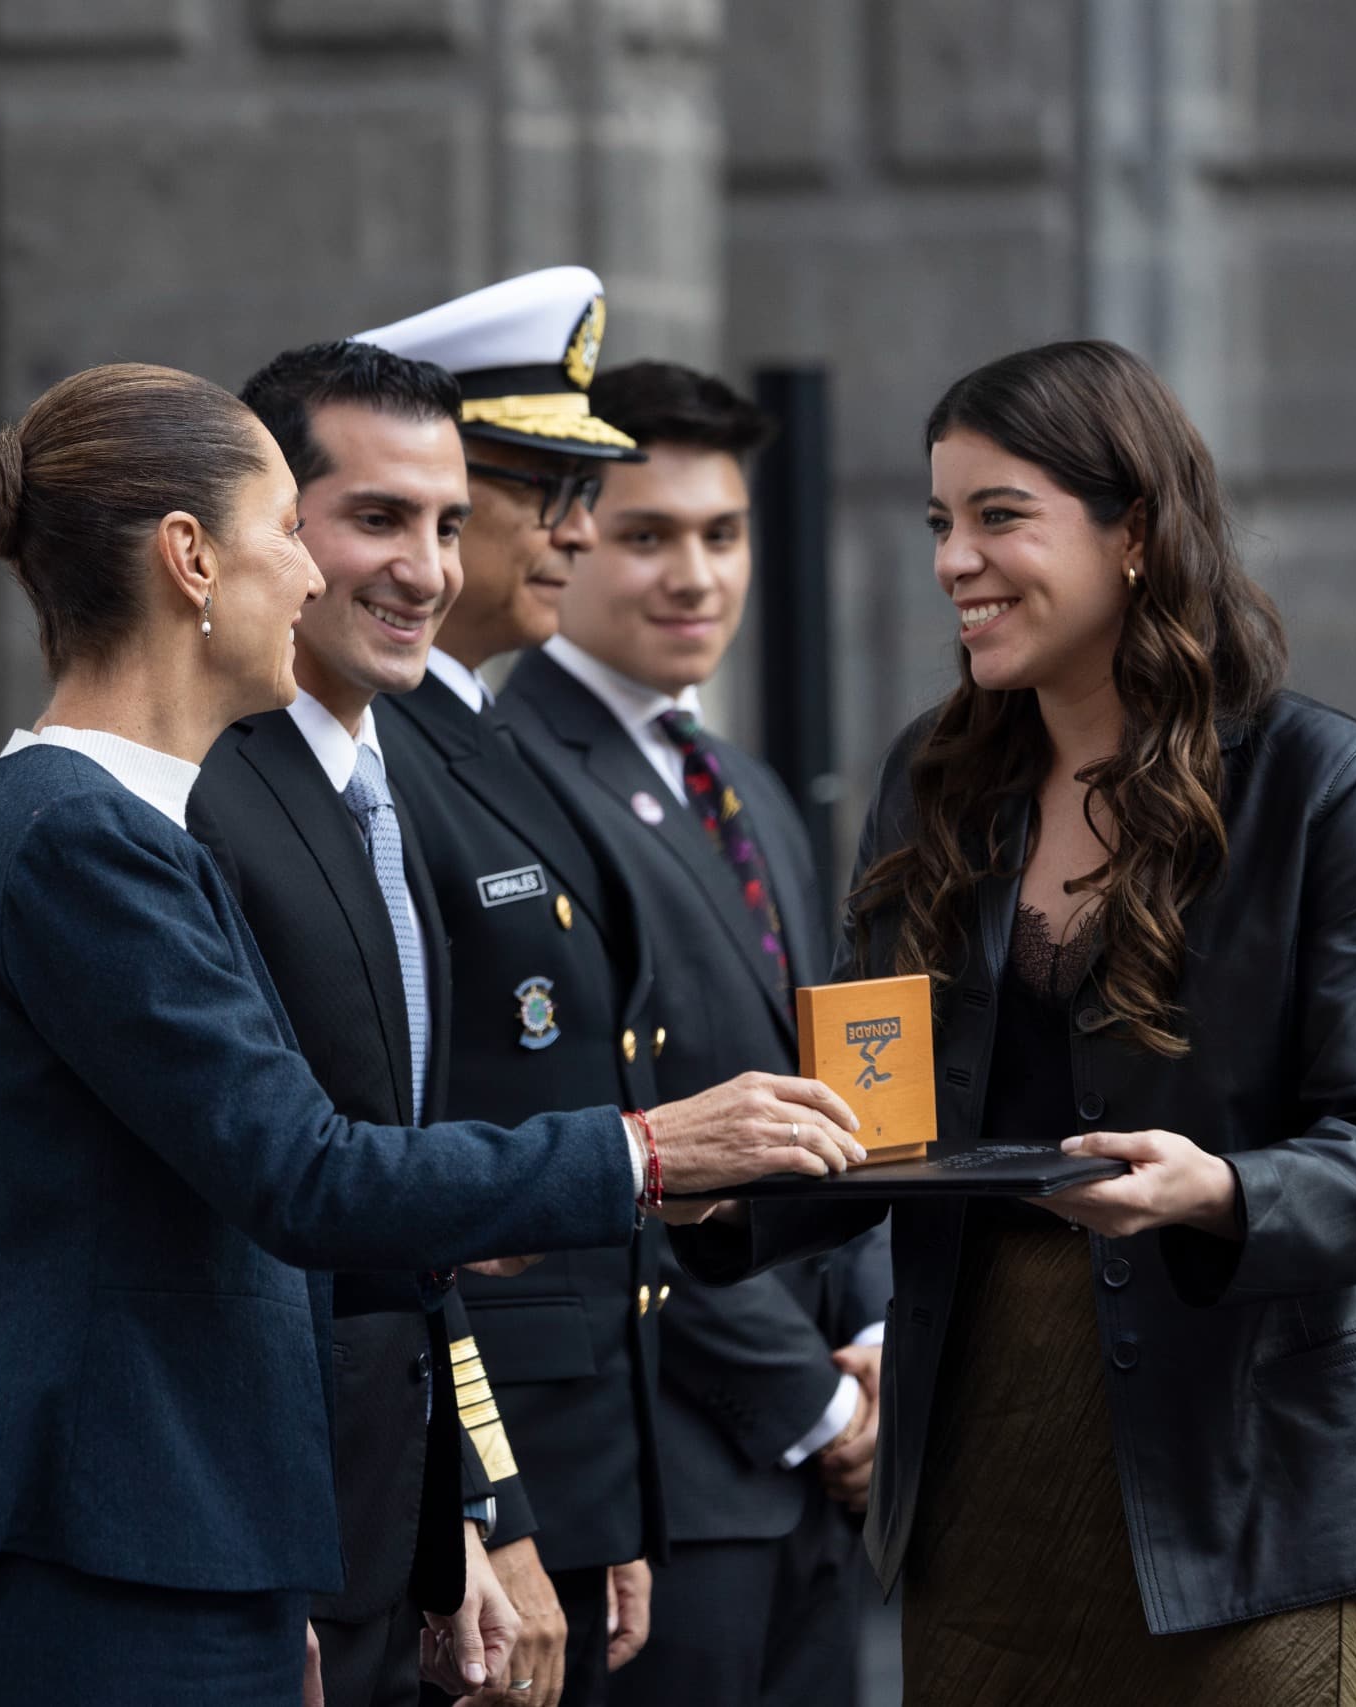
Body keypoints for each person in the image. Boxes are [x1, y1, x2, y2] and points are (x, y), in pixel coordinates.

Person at [0, 361, 867, 1707]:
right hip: (113, 1559)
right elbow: (305, 1173)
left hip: (189, 1544)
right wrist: (647, 1149)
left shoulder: (124, 826)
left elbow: (257, 1223)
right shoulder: (77, 835)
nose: (309, 577)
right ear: (189, 560)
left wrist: (332, 1548)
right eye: (289, 529)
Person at [676, 339, 1356, 1705]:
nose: (953, 560)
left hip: (1257, 1476)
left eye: (999, 516)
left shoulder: (1322, 786)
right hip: (981, 1451)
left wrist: (1217, 1188)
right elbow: (882, 1115)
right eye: (940, 521)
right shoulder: (935, 777)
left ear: (1139, 536)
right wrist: (701, 1187)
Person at [499, 361, 890, 1707]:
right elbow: (592, 1152)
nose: (696, 575)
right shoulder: (512, 779)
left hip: (816, 1476)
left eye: (721, 534)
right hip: (670, 1475)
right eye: (646, 533)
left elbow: (839, 1084)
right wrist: (813, 1401)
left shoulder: (745, 782)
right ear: (566, 536)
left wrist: (877, 1341)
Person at [346, 272, 682, 1707]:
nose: (577, 529)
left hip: (576, 1435)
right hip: (485, 1459)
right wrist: (493, 1500)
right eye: (537, 486)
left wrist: (600, 1495)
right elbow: (410, 1167)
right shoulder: (371, 755)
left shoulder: (483, 729)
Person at [190, 336, 526, 1707]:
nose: (428, 568)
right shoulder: (206, 797)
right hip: (271, 1541)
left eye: (448, 524)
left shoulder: (395, 788)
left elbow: (410, 1248)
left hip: (390, 1523)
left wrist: (464, 1511)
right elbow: (253, 1214)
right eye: (378, 518)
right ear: (276, 531)